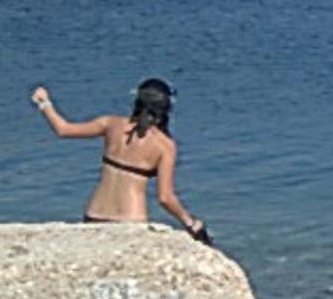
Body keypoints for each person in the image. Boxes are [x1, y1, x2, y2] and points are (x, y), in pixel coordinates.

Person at [31, 79, 208, 241]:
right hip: (130, 221)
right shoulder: (165, 145)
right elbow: (165, 197)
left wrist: (45, 103)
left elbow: (64, 129)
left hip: (94, 216)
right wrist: (191, 223)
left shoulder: (110, 124)